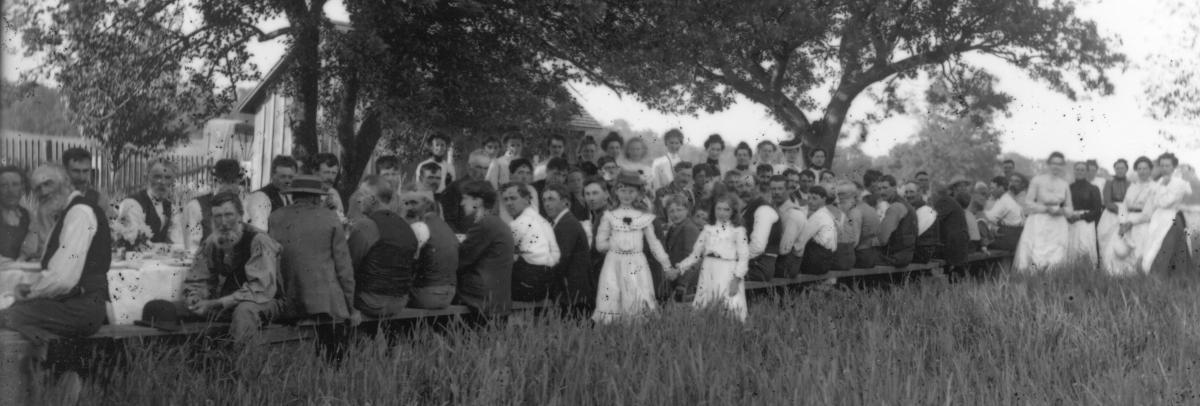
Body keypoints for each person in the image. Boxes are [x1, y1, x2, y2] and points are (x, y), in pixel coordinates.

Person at [0, 165, 110, 344]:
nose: (43, 192)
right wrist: (29, 290)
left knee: (8, 312)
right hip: (73, 304)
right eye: (37, 188)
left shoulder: (79, 213)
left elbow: (62, 279)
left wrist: (31, 292)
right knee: (12, 310)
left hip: (80, 310)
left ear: (65, 182)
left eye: (47, 184)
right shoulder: (66, 213)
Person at [182, 192, 284, 341]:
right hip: (226, 302)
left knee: (244, 311)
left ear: (240, 216)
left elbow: (261, 288)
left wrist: (216, 303)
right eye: (217, 216)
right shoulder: (211, 242)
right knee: (172, 309)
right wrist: (195, 296)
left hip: (265, 301)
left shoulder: (259, 240)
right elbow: (199, 277)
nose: (223, 222)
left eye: (229, 215)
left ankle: (246, 362)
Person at [269, 175, 360, 325]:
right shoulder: (330, 218)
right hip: (325, 305)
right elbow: (344, 269)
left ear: (293, 196)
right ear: (317, 198)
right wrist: (351, 308)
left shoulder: (276, 217)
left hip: (287, 303)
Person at [592, 171, 674, 323]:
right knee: (613, 299)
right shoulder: (609, 216)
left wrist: (667, 265)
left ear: (638, 193)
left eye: (631, 191)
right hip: (614, 263)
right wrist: (617, 244)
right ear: (616, 192)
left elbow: (654, 243)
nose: (627, 195)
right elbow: (600, 244)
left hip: (636, 264)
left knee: (637, 300)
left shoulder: (644, 216)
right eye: (623, 191)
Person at [674, 193, 749, 321]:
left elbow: (743, 257)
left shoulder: (738, 231)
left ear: (733, 212)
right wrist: (680, 268)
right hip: (708, 268)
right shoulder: (708, 230)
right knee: (706, 303)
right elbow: (695, 255)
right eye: (718, 209)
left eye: (726, 209)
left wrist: (736, 279)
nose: (721, 213)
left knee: (729, 305)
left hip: (728, 270)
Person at [1121, 153, 1194, 275]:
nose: (1164, 168)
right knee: (1155, 246)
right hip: (1158, 217)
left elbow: (1165, 202)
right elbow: (1154, 202)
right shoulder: (1160, 180)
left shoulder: (1179, 183)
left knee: (1166, 246)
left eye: (1167, 165)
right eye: (1162, 165)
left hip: (1171, 218)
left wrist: (1163, 188)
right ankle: (1156, 275)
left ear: (1174, 166)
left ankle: (1168, 277)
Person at [346, 192, 416, 318]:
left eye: (361, 196)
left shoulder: (366, 225)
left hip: (371, 302)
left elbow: (349, 266)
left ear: (372, 199)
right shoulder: (407, 226)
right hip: (399, 304)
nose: (358, 201)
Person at [455, 180, 514, 316]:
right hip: (497, 300)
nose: (461, 203)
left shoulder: (484, 224)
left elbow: (461, 260)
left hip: (482, 301)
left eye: (465, 198)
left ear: (477, 201)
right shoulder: (497, 222)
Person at [1014, 152, 1074, 273]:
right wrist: (1046, 209)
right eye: (1053, 163)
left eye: (1059, 164)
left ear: (1062, 166)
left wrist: (1061, 211)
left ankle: (1052, 281)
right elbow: (1028, 203)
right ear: (1048, 164)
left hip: (1058, 224)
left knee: (1056, 256)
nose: (1056, 167)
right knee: (1037, 253)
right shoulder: (1037, 180)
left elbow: (1070, 209)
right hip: (1039, 222)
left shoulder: (1064, 184)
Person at [501, 182, 561, 302]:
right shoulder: (542, 220)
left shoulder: (518, 223)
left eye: (513, 198)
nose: (508, 203)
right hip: (549, 282)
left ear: (527, 199)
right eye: (505, 199)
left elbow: (505, 254)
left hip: (530, 283)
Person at [403, 190, 459, 310]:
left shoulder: (420, 227)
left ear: (427, 204)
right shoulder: (445, 226)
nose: (408, 208)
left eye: (414, 203)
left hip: (427, 295)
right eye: (406, 203)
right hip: (449, 295)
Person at [542, 184, 592, 312]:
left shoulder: (567, 224)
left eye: (551, 199)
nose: (547, 204)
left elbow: (559, 260)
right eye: (544, 200)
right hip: (571, 293)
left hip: (572, 295)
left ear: (565, 202)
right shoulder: (561, 222)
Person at [1103, 157, 1153, 275]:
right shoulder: (1133, 186)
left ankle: (1139, 277)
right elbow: (1123, 206)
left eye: (1145, 168)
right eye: (1139, 168)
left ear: (1150, 170)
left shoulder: (1153, 187)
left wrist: (1131, 223)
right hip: (1126, 221)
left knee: (1139, 251)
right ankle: (1120, 278)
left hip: (1141, 223)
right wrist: (1122, 222)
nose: (1142, 171)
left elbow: (1148, 212)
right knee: (1119, 250)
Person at [183, 159, 245, 252]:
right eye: (222, 181)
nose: (228, 187)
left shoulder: (244, 206)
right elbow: (192, 246)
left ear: (238, 182)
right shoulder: (196, 206)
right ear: (214, 181)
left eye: (232, 182)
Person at [118, 158, 180, 244]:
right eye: (157, 176)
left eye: (167, 177)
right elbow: (132, 241)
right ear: (146, 178)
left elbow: (176, 241)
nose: (162, 182)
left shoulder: (171, 208)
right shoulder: (132, 204)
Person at [736, 173, 780, 282]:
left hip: (760, 267)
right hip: (751, 264)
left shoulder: (763, 209)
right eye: (741, 186)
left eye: (748, 185)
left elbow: (758, 246)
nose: (744, 189)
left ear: (756, 187)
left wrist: (736, 260)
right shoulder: (746, 209)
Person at [660, 194, 702, 300]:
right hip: (675, 279)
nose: (675, 214)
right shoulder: (674, 228)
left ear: (687, 211)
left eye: (679, 210)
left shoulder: (689, 229)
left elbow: (692, 258)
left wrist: (682, 284)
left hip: (686, 283)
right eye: (671, 211)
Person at [443, 149, 492, 233]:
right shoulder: (454, 188)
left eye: (486, 168)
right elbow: (448, 221)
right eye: (479, 167)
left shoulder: (489, 188)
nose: (482, 172)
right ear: (469, 167)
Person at [246, 155, 298, 232]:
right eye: (283, 177)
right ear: (272, 175)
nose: (287, 181)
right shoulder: (260, 197)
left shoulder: (290, 196)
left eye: (290, 177)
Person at [794, 185, 838, 276]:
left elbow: (801, 241)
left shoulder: (818, 216)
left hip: (816, 261)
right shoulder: (826, 213)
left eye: (814, 198)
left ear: (824, 199)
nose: (810, 201)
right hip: (826, 261)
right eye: (809, 198)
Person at [875, 175, 917, 267]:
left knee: (862, 259)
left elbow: (882, 239)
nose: (881, 191)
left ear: (894, 188)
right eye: (879, 188)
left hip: (895, 258)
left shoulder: (896, 207)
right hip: (906, 255)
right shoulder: (904, 204)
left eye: (885, 188)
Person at [1097, 159, 1131, 272]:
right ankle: (1108, 269)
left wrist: (1126, 212)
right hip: (1111, 215)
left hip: (1127, 215)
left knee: (1124, 242)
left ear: (1126, 169)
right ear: (1114, 169)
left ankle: (1124, 270)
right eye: (1117, 168)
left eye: (1122, 168)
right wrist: (1121, 210)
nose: (1120, 170)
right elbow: (1107, 202)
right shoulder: (1109, 183)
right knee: (1108, 242)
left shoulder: (1131, 184)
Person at [1067, 162, 1103, 267]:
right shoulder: (1068, 188)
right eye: (1077, 169)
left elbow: (1097, 210)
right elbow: (1063, 205)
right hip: (1070, 222)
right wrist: (1068, 215)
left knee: (1085, 249)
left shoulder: (1093, 188)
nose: (1079, 172)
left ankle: (1087, 273)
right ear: (1074, 171)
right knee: (1071, 248)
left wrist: (1080, 216)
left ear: (1087, 172)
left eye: (1082, 170)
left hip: (1086, 223)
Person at [61, 147, 113, 218]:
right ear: (65, 170)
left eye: (85, 171)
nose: (81, 177)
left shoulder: (98, 199)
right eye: (76, 171)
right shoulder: (54, 197)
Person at [774, 175, 808, 278]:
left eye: (780, 189)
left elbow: (784, 249)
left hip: (787, 265)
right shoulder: (781, 209)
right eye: (773, 189)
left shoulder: (792, 214)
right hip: (785, 260)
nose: (776, 192)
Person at [932, 179, 971, 269]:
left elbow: (933, 220)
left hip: (953, 246)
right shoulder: (950, 201)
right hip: (957, 245)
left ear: (936, 192)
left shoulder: (944, 201)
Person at [984, 174, 1026, 252]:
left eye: (992, 188)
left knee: (980, 244)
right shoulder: (1007, 198)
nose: (990, 191)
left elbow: (989, 217)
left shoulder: (1004, 201)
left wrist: (976, 213)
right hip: (1015, 238)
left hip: (1010, 240)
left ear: (1001, 188)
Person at [904, 182, 940, 264]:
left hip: (923, 254)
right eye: (906, 192)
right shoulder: (913, 209)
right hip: (916, 250)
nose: (908, 195)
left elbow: (912, 235)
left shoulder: (926, 211)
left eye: (911, 192)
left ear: (919, 192)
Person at [0, 166, 31, 261]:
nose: (10, 191)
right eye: (4, 185)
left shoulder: (27, 216)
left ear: (22, 188)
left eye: (15, 184)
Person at [499, 159, 540, 224]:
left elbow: (535, 215)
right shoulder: (503, 192)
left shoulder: (532, 190)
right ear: (511, 175)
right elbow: (506, 220)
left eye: (528, 173)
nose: (524, 177)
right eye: (520, 172)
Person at [833, 181, 862, 270]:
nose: (838, 198)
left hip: (844, 255)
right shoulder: (840, 209)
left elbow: (855, 241)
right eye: (838, 194)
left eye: (841, 194)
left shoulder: (854, 213)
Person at [854, 182, 882, 268]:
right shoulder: (870, 208)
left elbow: (854, 242)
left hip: (861, 256)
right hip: (872, 255)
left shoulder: (856, 211)